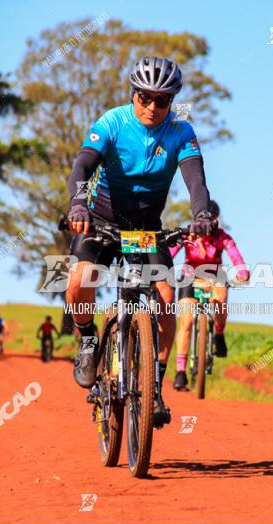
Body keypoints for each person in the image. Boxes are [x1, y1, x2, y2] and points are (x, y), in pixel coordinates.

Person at [64, 56, 216, 428]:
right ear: (133, 95)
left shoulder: (181, 132)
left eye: (161, 100)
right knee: (78, 282)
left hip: (146, 229)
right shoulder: (112, 122)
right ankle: (87, 342)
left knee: (165, 299)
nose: (151, 106)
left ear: (172, 101)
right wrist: (78, 203)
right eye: (144, 97)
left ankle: (154, 388)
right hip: (99, 220)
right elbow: (82, 167)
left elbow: (196, 181)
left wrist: (201, 215)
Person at [170, 200, 249, 390]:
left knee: (221, 299)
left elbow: (235, 255)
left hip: (215, 276)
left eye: (212, 220)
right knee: (186, 322)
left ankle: (219, 334)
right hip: (190, 276)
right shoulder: (188, 233)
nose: (208, 224)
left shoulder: (222, 237)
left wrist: (242, 271)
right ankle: (181, 372)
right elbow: (170, 252)